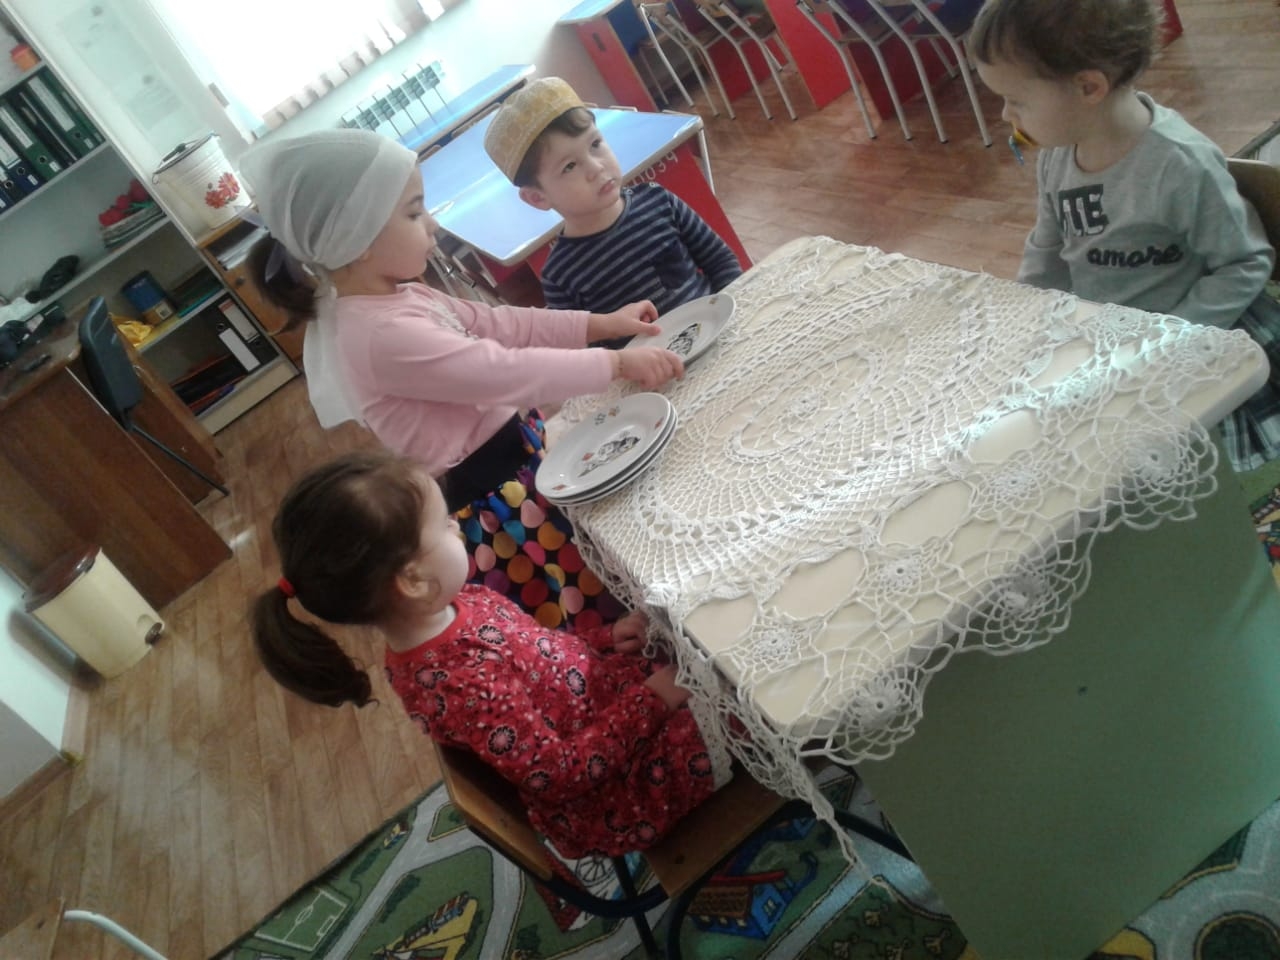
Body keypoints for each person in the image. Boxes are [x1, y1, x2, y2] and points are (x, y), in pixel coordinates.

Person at [239, 129, 686, 630]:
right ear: (357, 239)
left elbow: (504, 324)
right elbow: (501, 372)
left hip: (523, 467)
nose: (432, 223)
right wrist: (615, 364)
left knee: (620, 586)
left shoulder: (402, 296)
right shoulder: (377, 335)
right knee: (597, 613)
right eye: (414, 213)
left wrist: (599, 324)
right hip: (502, 508)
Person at [251, 451, 727, 858]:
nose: (457, 526)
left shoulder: (458, 602)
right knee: (742, 697)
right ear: (412, 580)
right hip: (619, 791)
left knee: (694, 617)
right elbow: (560, 774)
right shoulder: (459, 682)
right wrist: (654, 699)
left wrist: (607, 637)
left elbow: (541, 652)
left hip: (610, 708)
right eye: (443, 525)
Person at [970, 0, 1280, 472]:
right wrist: (1031, 317)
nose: (1005, 113)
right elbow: (1048, 249)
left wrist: (1171, 337)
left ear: (1088, 87)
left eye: (1018, 100)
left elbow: (1245, 262)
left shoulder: (1180, 165)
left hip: (1194, 338)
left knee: (1176, 478)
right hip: (1112, 338)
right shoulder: (1057, 154)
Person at [483, 77, 743, 347]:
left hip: (718, 334)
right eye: (569, 166)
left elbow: (720, 261)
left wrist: (736, 314)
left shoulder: (659, 201)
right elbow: (585, 347)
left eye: (595, 144)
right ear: (537, 197)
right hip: (652, 370)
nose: (596, 167)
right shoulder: (560, 275)